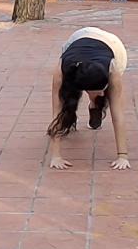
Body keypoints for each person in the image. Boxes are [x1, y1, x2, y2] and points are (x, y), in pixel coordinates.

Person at [48, 26, 132, 171]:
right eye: (95, 92)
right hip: (78, 38)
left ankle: (95, 105)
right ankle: (94, 103)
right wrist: (56, 156)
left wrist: (122, 156)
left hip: (112, 44)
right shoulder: (62, 71)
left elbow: (118, 115)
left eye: (101, 91)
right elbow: (57, 111)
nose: (101, 93)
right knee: (68, 100)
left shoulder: (114, 69)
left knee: (110, 98)